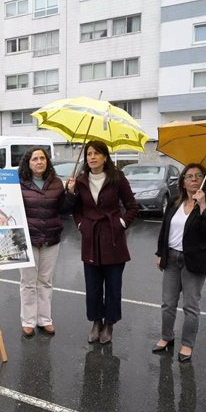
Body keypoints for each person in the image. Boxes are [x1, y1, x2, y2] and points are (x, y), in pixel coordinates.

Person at [66, 140, 138, 345]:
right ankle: (96, 322)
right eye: (89, 154)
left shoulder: (117, 178)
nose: (92, 157)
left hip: (113, 240)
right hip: (91, 239)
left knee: (113, 286)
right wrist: (81, 225)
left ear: (105, 157)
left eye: (97, 153)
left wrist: (121, 223)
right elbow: (74, 210)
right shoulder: (80, 181)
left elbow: (132, 207)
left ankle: (110, 324)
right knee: (93, 287)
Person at [153, 163, 206, 362]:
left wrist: (202, 205)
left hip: (195, 260)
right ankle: (166, 337)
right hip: (172, 258)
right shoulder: (175, 202)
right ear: (183, 182)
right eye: (189, 176)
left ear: (204, 180)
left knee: (191, 306)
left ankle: (187, 344)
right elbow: (164, 230)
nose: (193, 179)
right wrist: (160, 253)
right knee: (168, 303)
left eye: (198, 176)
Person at [17, 147, 67, 337]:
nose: (39, 162)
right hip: (28, 239)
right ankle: (28, 321)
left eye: (42, 158)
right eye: (35, 159)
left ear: (47, 161)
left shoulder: (56, 183)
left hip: (51, 238)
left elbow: (64, 208)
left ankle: (44, 319)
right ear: (28, 163)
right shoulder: (19, 183)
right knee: (28, 282)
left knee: (45, 281)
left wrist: (70, 193)